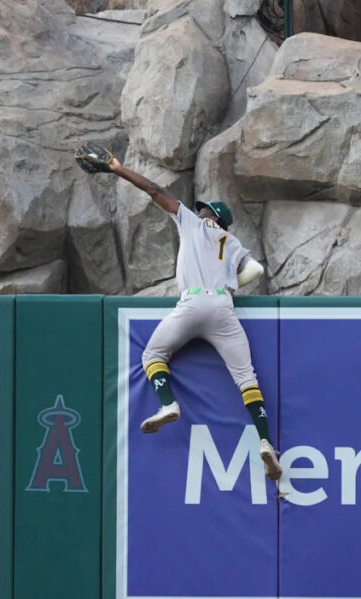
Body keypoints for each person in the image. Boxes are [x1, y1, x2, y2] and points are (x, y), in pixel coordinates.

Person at [107, 154, 283, 482]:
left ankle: (168, 405)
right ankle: (266, 442)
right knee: (247, 379)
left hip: (192, 304)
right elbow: (256, 270)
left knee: (153, 355)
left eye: (204, 209)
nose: (199, 209)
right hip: (223, 308)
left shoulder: (193, 223)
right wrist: (230, 285)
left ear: (210, 216)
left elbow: (155, 190)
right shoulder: (232, 242)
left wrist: (119, 170)